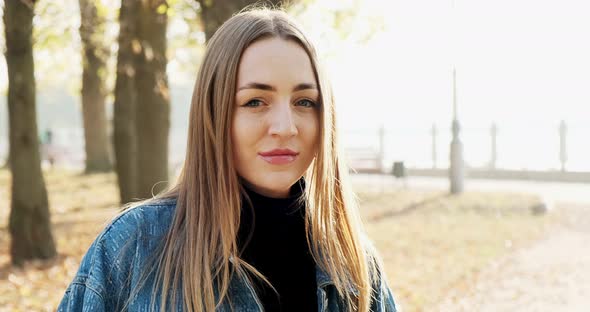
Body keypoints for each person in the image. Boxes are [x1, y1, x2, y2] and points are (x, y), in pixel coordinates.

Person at [58, 7, 397, 312]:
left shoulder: (354, 266)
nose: (285, 127)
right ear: (214, 113)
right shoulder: (133, 246)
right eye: (255, 102)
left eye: (305, 102)